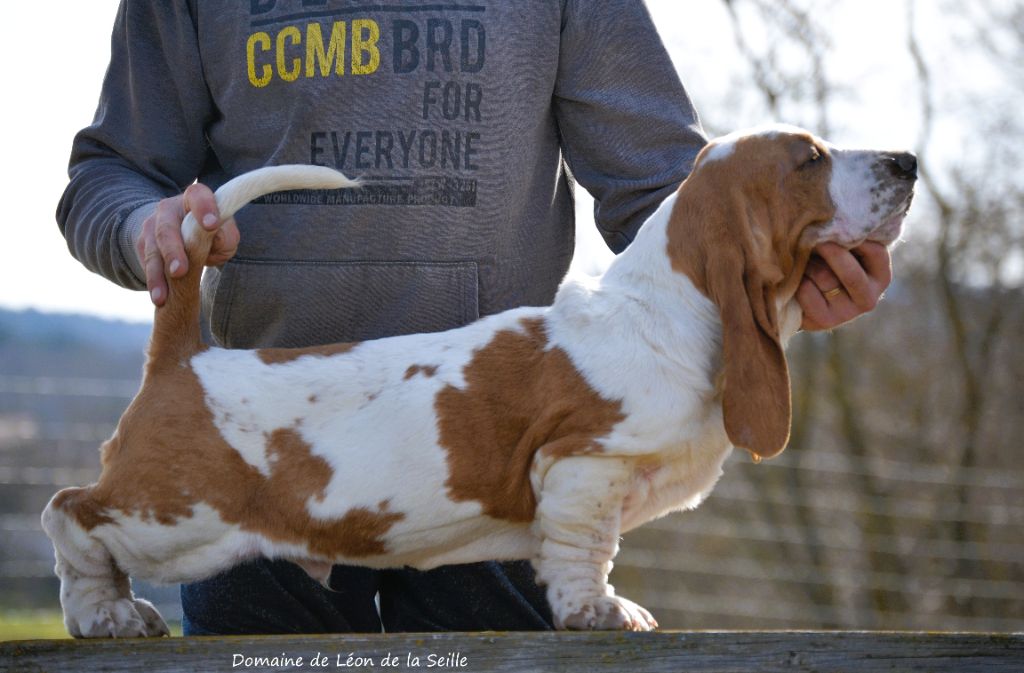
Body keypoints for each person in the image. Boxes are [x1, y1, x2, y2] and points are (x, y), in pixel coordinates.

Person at [57, 1, 891, 634]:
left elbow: (669, 198)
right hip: (261, 445)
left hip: (510, 458)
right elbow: (111, 172)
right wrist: (146, 227)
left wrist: (790, 269)